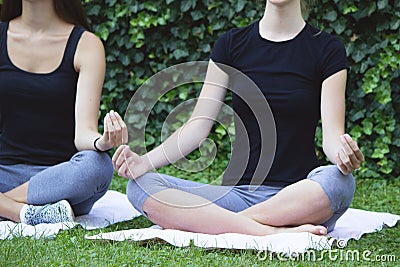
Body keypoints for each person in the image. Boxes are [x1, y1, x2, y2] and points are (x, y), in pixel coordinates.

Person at [113, 0, 364, 236]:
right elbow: (198, 127)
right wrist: (144, 163)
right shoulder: (232, 44)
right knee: (140, 185)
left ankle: (219, 223)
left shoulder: (327, 49)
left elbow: (332, 137)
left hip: (300, 198)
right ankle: (270, 232)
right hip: (238, 195)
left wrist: (343, 155)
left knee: (339, 181)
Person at [0, 0, 127, 225]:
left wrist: (103, 142)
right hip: (5, 173)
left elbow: (84, 134)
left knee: (97, 166)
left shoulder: (86, 45)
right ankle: (26, 214)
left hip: (62, 180)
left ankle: (6, 206)